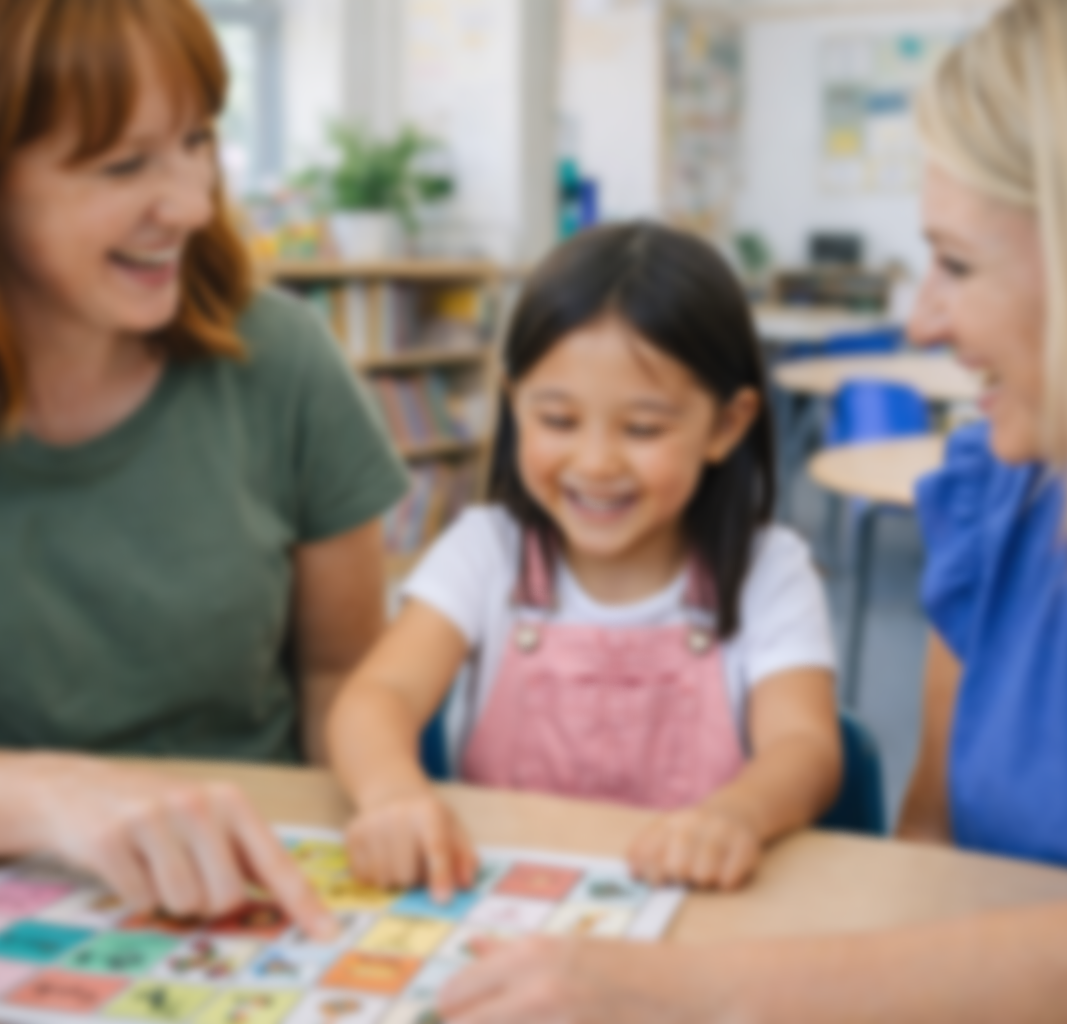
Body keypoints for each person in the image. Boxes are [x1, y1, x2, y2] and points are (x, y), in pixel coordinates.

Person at [435, 0, 1067, 1020]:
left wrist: (673, 993)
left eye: (955, 263)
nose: (921, 317)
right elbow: (930, 854)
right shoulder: (1000, 505)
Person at [0, 0, 407, 937]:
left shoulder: (284, 361)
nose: (194, 205)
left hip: (248, 900)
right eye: (125, 165)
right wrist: (60, 799)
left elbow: (346, 679)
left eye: (198, 141)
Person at [328, 223, 844, 899]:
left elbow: (806, 747)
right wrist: (392, 792)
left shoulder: (769, 569)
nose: (595, 463)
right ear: (515, 404)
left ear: (726, 425)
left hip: (691, 909)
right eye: (558, 421)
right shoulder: (487, 549)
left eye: (642, 429)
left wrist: (736, 814)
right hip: (503, 902)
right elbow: (376, 697)